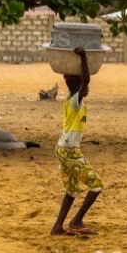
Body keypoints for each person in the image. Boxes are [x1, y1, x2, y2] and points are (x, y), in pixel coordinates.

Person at [51, 46, 104, 237]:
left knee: (72, 189)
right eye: (84, 86)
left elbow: (78, 81)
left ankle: (57, 227)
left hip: (62, 148)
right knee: (96, 185)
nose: (87, 88)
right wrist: (83, 56)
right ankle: (76, 220)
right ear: (78, 86)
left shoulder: (70, 98)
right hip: (70, 151)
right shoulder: (75, 101)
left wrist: (74, 74)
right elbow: (85, 80)